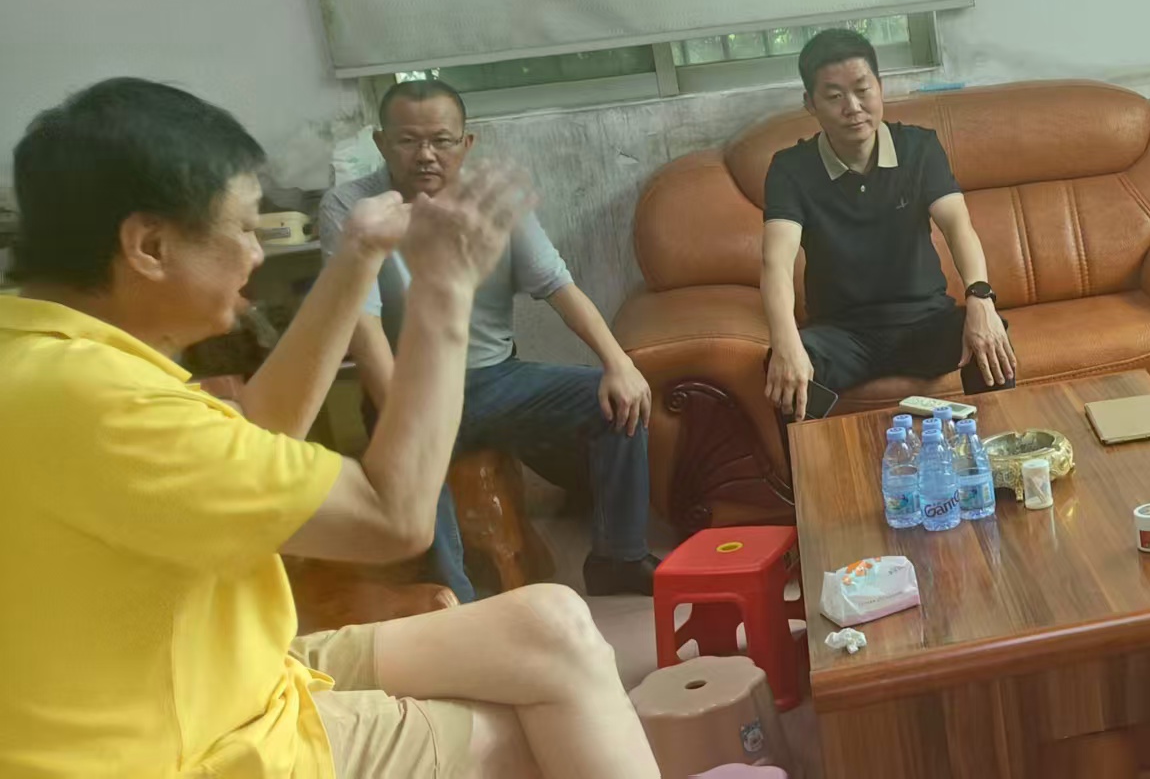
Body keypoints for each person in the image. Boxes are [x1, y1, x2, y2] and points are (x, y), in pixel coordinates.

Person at [0, 78, 658, 777]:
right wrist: (444, 290)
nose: (257, 253)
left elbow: (258, 428)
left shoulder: (47, 360)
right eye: (244, 228)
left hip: (231, 669)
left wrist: (357, 256)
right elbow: (392, 518)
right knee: (537, 728)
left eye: (441, 140)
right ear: (150, 245)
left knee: (552, 626)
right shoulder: (109, 406)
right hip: (187, 745)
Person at [320, 79, 655, 602]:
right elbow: (362, 327)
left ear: (466, 143)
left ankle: (620, 557)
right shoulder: (352, 206)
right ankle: (456, 601)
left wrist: (619, 363)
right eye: (408, 141)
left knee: (615, 403)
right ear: (382, 143)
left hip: (496, 380)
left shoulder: (493, 204)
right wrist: (405, 419)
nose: (425, 155)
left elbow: (559, 287)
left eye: (441, 140)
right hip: (405, 388)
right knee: (417, 462)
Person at [758, 28, 1017, 421]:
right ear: (810, 103)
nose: (853, 107)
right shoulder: (790, 169)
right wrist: (785, 342)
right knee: (787, 374)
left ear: (880, 87)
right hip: (842, 333)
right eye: (834, 96)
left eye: (863, 89)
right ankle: (821, 464)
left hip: (924, 323)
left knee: (991, 341)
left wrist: (981, 298)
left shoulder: (919, 148)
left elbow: (958, 226)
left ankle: (995, 455)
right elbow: (776, 262)